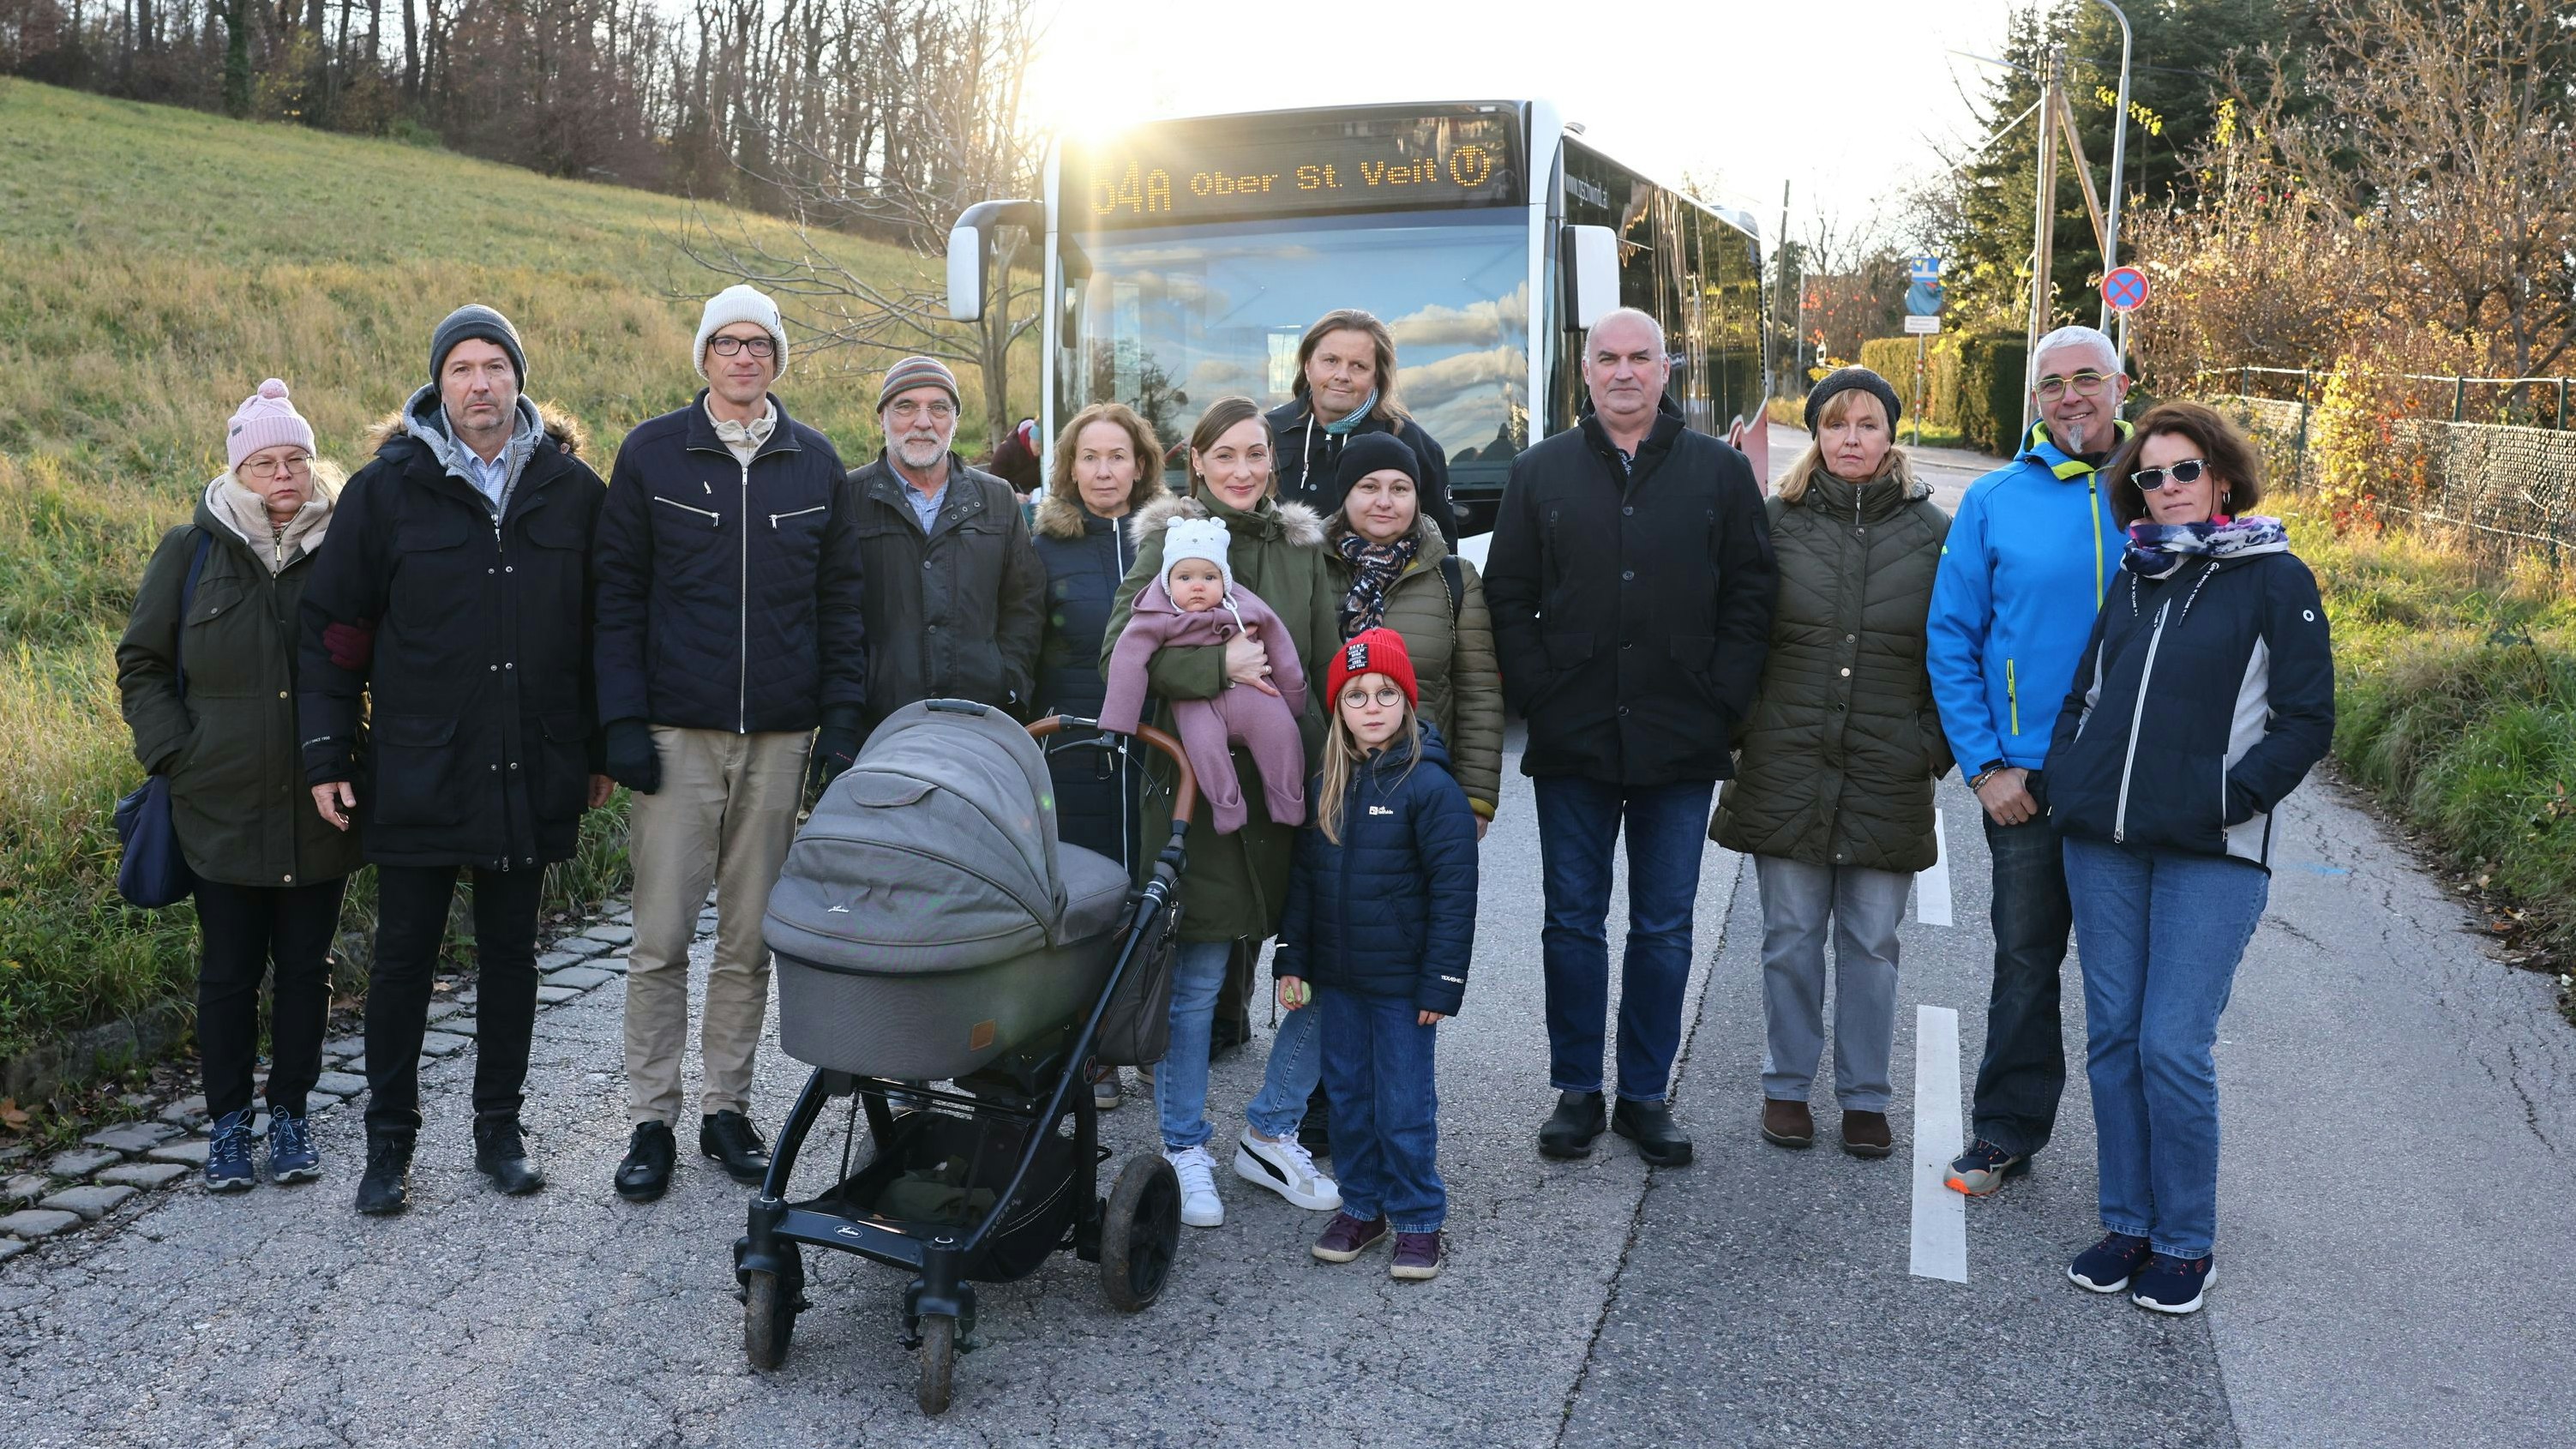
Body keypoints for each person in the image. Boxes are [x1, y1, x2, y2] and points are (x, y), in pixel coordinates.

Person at [300, 304, 610, 1216]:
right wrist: (327, 749)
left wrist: (593, 748)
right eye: (462, 369)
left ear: (520, 377)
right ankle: (388, 1145)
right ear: (437, 386)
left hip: (529, 763)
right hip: (419, 766)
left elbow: (598, 635)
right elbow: (336, 631)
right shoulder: (385, 489)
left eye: (495, 366)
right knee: (401, 960)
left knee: (513, 955)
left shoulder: (569, 488)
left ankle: (499, 1131)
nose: (480, 383)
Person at [2045, 400, 2333, 1314]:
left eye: (2181, 471)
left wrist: (2226, 799)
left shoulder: (2274, 577)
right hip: (2106, 846)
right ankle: (2125, 1222)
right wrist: (2068, 779)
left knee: (2172, 1042)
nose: (2164, 488)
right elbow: (2082, 695)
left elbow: (2305, 720)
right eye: (2148, 475)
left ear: (2220, 477)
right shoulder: (2135, 576)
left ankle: (2183, 1242)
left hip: (2210, 850)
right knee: (2114, 1040)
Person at [591, 285, 865, 1203]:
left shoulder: (814, 463)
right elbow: (617, 594)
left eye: (760, 344)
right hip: (678, 732)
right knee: (660, 936)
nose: (744, 357)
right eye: (727, 343)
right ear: (703, 356)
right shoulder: (651, 454)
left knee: (748, 940)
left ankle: (725, 1110)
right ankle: (651, 1120)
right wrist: (621, 722)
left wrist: (841, 720)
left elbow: (842, 607)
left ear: (777, 360)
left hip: (781, 737)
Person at [1484, 307, 1774, 1169]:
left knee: (1662, 925)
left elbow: (1751, 595)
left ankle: (1643, 1095)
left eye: (1637, 357)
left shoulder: (1717, 473)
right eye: (1604, 358)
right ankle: (1576, 1088)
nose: (1620, 372)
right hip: (1572, 737)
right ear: (1584, 373)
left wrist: (1721, 699)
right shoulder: (1538, 473)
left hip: (1679, 739)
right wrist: (1537, 691)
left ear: (1664, 368)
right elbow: (1506, 594)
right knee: (1571, 920)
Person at [117, 380, 364, 1192]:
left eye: (297, 459)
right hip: (214, 801)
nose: (285, 477)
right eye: (266, 463)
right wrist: (176, 757)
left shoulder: (345, 547)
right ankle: (228, 1126)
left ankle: (289, 1116)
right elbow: (143, 665)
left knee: (306, 969)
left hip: (319, 798)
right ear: (237, 470)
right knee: (227, 971)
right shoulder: (190, 551)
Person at [1103, 395, 1343, 1229]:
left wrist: (1330, 777)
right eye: (1224, 456)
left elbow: (1314, 663)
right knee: (1197, 981)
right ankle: (1183, 1144)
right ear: (1194, 462)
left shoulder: (1297, 548)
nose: (1242, 469)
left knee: (1319, 966)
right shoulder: (1169, 544)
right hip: (1194, 801)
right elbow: (1119, 655)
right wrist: (1216, 672)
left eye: (1255, 454)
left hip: (1287, 791)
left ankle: (1272, 1129)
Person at [1708, 368, 1950, 1159]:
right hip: (1785, 760)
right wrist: (1742, 730)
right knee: (1787, 936)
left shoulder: (1934, 532)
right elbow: (1733, 630)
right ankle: (1786, 1089)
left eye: (1869, 423)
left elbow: (1958, 650)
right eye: (1837, 423)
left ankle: (1864, 1097)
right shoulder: (1771, 522)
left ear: (1890, 435)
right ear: (1814, 432)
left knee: (1872, 944)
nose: (1853, 438)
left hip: (1888, 766)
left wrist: (1928, 744)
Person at [1924, 323, 2135, 1196]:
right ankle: (2005, 1131)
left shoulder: (2164, 485)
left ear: (2121, 387)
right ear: (2035, 400)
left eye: (2087, 378)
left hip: (2138, 775)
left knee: (2139, 984)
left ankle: (2142, 1158)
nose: (2069, 397)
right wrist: (1983, 766)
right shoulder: (1993, 499)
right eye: (2051, 384)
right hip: (2027, 780)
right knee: (2023, 965)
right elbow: (1950, 637)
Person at [1279, 628, 1477, 1282]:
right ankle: (1363, 1207)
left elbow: (1454, 892)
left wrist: (1440, 984)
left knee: (1402, 1103)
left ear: (1407, 703)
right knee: (1348, 1100)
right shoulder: (1327, 786)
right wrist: (1292, 960)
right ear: (1338, 708)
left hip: (1401, 987)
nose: (1371, 706)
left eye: (1386, 693)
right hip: (1338, 981)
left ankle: (1419, 1217)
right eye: (1356, 695)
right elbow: (1305, 883)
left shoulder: (1432, 789)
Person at [847, 356, 1044, 731]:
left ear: (955, 420)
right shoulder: (849, 498)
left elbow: (1025, 602)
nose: (923, 421)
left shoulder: (997, 499)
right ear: (881, 418)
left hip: (981, 716)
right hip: (878, 722)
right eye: (906, 406)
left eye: (938, 408)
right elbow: (832, 610)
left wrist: (1010, 683)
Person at [1099, 519, 1308, 834]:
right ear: (1167, 582)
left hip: (1255, 694)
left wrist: (1293, 696)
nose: (1198, 586)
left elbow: (1279, 642)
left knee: (1282, 734)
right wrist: (1119, 718)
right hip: (1196, 699)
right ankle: (1227, 809)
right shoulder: (1158, 615)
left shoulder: (1242, 605)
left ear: (1224, 580)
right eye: (1185, 577)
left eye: (1209, 577)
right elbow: (1126, 658)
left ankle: (1290, 803)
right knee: (1203, 746)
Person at [1031, 403, 1162, 861]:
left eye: (1117, 457)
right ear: (1071, 466)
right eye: (1089, 457)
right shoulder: (1044, 548)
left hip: (1159, 741)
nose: (1103, 472)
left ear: (1140, 465)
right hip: (1071, 744)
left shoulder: (1175, 542)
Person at [1267, 309, 1462, 544]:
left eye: (1358, 366)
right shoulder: (1266, 434)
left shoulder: (1413, 444)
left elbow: (1439, 552)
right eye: (1331, 361)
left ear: (1377, 376)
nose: (1342, 375)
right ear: (1308, 365)